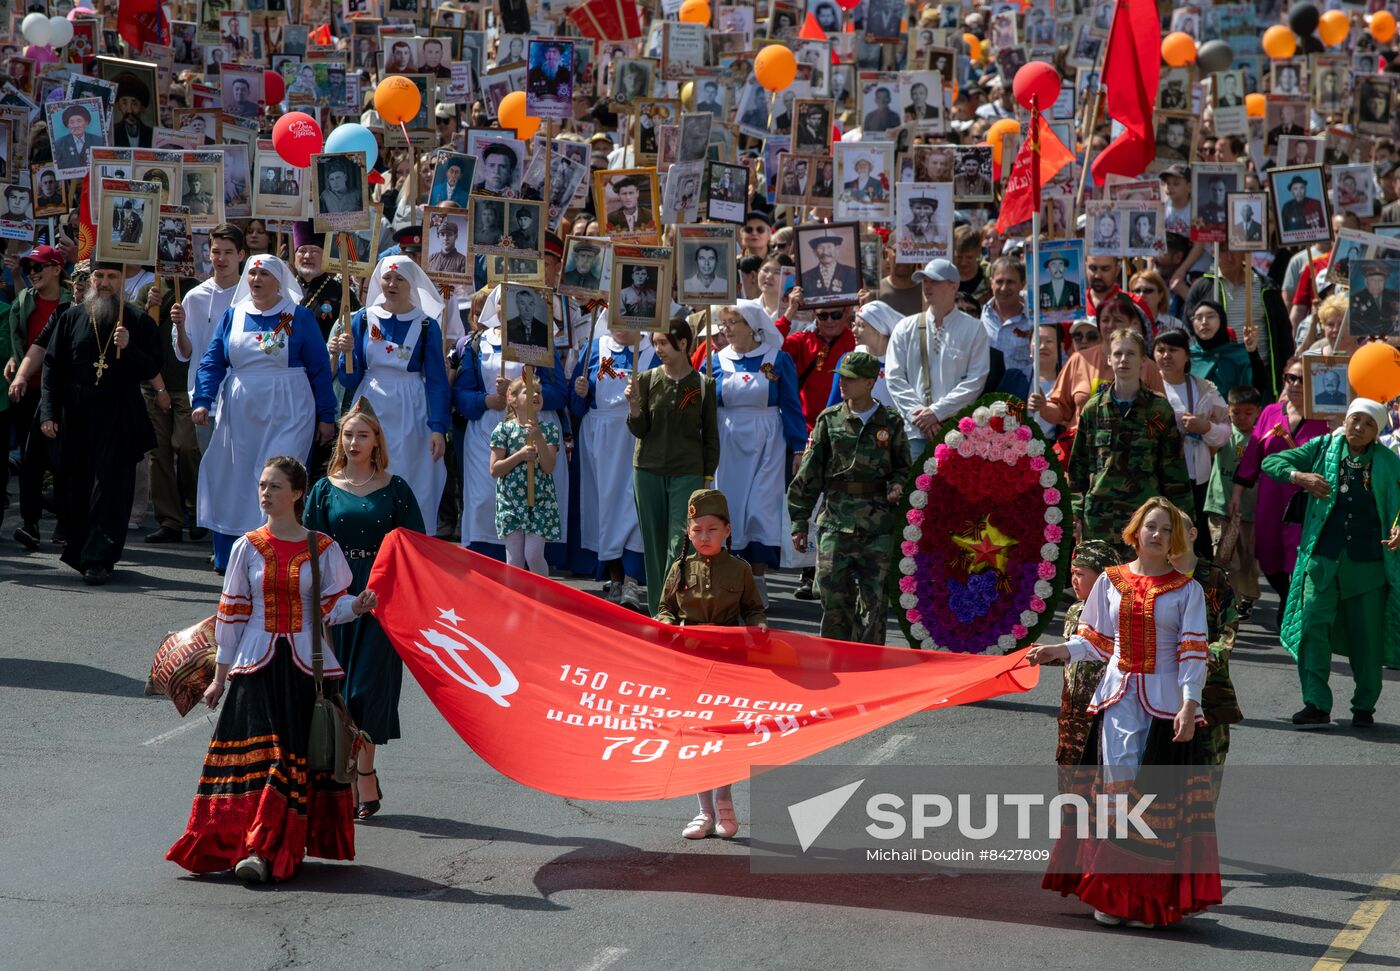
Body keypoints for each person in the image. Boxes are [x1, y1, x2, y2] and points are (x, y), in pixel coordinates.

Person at [167, 455, 378, 883]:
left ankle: (270, 848)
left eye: (275, 486)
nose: (266, 493)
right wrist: (220, 678)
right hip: (255, 667)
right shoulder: (246, 547)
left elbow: (329, 607)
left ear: (297, 493)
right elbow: (232, 615)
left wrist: (355, 606)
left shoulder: (322, 549)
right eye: (263, 485)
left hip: (304, 670)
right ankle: (255, 848)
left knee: (288, 760)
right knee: (265, 761)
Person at [1028, 497, 1223, 928]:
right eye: (1150, 526)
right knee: (1115, 792)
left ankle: (1146, 901)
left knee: (1152, 801)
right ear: (1136, 531)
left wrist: (1191, 704)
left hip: (1165, 705)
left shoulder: (1187, 589)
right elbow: (1096, 641)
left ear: (1175, 539)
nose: (1157, 535)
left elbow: (1194, 653)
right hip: (1117, 700)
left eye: (1166, 529)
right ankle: (1111, 893)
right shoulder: (1110, 582)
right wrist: (1058, 650)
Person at [303, 405, 423, 819]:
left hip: (381, 600)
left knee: (365, 692)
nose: (353, 443)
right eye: (348, 436)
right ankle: (348, 775)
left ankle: (364, 772)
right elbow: (308, 548)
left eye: (362, 436)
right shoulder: (322, 490)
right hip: (336, 599)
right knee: (336, 694)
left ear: (376, 443)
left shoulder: (396, 489)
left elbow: (415, 548)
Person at [191, 256, 338, 573]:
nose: (256, 279)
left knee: (278, 477)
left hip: (290, 409)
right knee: (236, 478)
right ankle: (230, 552)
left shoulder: (297, 317)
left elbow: (319, 369)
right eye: (252, 273)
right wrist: (203, 400)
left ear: (279, 280)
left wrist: (327, 415)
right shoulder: (234, 315)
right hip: (241, 411)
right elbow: (213, 361)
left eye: (264, 274)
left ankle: (275, 550)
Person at [1262, 397, 1400, 726]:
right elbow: (1273, 464)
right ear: (1347, 420)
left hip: (1368, 568)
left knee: (1367, 638)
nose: (1359, 428)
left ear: (1376, 432)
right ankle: (1316, 703)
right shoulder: (1323, 447)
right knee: (1311, 627)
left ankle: (1364, 706)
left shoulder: (1389, 462)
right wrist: (1301, 476)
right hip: (1321, 561)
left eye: (1369, 424)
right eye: (1356, 420)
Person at [37, 263, 162, 584]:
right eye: (99, 276)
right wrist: (49, 413)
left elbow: (151, 367)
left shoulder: (137, 320)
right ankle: (82, 550)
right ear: (90, 279)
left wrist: (128, 347)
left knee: (110, 488)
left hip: (118, 413)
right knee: (74, 487)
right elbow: (52, 367)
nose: (105, 283)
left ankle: (100, 558)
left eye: (112, 277)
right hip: (75, 413)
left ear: (122, 280)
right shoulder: (71, 318)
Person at [657, 488, 766, 840]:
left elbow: (753, 608)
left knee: (723, 736)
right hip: (689, 664)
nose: (705, 537)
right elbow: (664, 610)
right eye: (697, 530)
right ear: (688, 533)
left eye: (712, 530)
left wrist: (758, 627)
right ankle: (703, 811)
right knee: (695, 736)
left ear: (727, 531)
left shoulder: (741, 570)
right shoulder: (679, 569)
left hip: (729, 665)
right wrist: (670, 628)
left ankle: (725, 803)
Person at [788, 351, 910, 642]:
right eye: (841, 377)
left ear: (870, 382)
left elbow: (903, 468)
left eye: (850, 379)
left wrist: (897, 486)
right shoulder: (829, 420)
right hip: (835, 521)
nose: (842, 383)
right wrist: (799, 520)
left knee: (875, 602)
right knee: (831, 596)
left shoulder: (890, 422)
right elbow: (810, 472)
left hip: (877, 523)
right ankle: (836, 659)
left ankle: (868, 667)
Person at [329, 256, 450, 532]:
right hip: (371, 404)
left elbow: (436, 381)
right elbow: (350, 379)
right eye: (386, 278)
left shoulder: (426, 325)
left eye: (399, 279)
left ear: (412, 284)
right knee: (369, 469)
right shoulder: (362, 318)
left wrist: (438, 427)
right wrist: (344, 352)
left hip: (412, 408)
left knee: (411, 472)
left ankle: (410, 538)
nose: (392, 284)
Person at [451, 285, 569, 558]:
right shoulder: (477, 343)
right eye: (506, 302)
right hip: (488, 429)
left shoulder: (540, 340)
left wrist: (523, 392)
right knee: (485, 499)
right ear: (496, 306)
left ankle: (530, 562)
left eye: (523, 303)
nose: (515, 308)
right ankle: (487, 559)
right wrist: (485, 400)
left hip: (530, 428)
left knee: (533, 498)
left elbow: (559, 392)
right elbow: (462, 393)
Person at [1067, 329, 1194, 555]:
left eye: (1130, 354)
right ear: (1109, 359)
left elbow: (1173, 470)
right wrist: (1074, 513)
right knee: (1100, 586)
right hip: (1099, 521)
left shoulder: (1158, 409)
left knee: (1143, 587)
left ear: (1143, 360)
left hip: (1145, 522)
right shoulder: (1093, 410)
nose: (1123, 359)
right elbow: (1078, 470)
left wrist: (1182, 520)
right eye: (1117, 354)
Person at [710, 304, 807, 603]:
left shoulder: (776, 359)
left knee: (760, 511)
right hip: (728, 441)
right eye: (723, 323)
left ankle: (758, 579)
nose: (725, 328)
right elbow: (704, 404)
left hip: (767, 441)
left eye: (732, 322)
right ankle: (730, 582)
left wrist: (797, 446)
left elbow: (791, 404)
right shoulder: (716, 360)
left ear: (751, 325)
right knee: (731, 510)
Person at [625, 317, 720, 616]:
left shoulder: (704, 385)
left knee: (680, 545)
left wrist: (707, 477)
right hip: (648, 470)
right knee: (653, 546)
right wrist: (634, 407)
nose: (658, 349)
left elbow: (711, 437)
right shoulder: (648, 379)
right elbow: (639, 430)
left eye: (663, 343)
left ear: (682, 343)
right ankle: (659, 614)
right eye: (655, 343)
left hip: (688, 473)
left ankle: (674, 609)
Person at [1229, 357, 1331, 620]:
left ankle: (1292, 606)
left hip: (1306, 499)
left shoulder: (1326, 418)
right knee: (1267, 552)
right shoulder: (1270, 412)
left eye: (1302, 379)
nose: (1295, 384)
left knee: (1298, 556)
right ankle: (1285, 594)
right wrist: (1238, 493)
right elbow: (1253, 454)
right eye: (1290, 378)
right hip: (1270, 497)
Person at [569, 316, 657, 610]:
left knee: (634, 507)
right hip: (600, 440)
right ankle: (615, 578)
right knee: (605, 509)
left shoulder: (651, 351)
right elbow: (577, 405)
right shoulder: (595, 348)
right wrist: (580, 393)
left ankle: (633, 581)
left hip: (635, 437)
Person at [885, 258, 990, 458]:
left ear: (954, 286)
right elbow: (894, 377)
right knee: (914, 488)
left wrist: (936, 412)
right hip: (914, 432)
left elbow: (975, 381)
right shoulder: (905, 327)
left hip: (957, 432)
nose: (927, 286)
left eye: (934, 281)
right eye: (925, 281)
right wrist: (919, 415)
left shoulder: (975, 329)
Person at [5, 245, 70, 552]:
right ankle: (30, 523)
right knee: (31, 458)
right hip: (29, 389)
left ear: (57, 269)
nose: (33, 272)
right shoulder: (23, 300)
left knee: (63, 460)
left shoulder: (71, 304)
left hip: (62, 392)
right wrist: (15, 362)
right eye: (29, 267)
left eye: (39, 267)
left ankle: (65, 520)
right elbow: (18, 338)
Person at [1154, 328, 1230, 559]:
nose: (1166, 355)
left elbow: (1227, 430)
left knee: (1195, 533)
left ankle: (1201, 587)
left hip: (1196, 472)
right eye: (1161, 350)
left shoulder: (1204, 388)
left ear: (1187, 356)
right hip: (1158, 471)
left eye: (1173, 350)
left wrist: (1204, 427)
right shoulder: (1148, 386)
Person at [1053, 540, 1121, 771]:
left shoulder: (1120, 613)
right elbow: (1071, 651)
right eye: (1072, 573)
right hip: (1072, 719)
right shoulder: (1075, 611)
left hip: (1101, 718)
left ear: (1104, 577)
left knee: (1103, 791)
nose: (1074, 580)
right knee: (1071, 794)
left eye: (1080, 574)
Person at [490, 375, 562, 573]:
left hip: (539, 500)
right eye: (529, 391)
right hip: (511, 501)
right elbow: (495, 469)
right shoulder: (504, 430)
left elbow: (548, 467)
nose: (536, 394)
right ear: (512, 399)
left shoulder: (548, 430)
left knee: (533, 554)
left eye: (539, 391)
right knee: (514, 559)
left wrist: (538, 438)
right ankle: (515, 601)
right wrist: (520, 456)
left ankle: (542, 597)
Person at [1204, 385, 1263, 619]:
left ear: (1258, 412)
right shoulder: (1224, 433)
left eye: (1248, 413)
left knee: (1248, 557)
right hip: (1220, 503)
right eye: (1236, 412)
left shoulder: (1260, 438)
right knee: (1223, 554)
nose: (1242, 418)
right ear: (1229, 410)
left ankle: (1247, 597)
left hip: (1250, 509)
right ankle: (1230, 601)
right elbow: (1209, 441)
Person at [827, 300, 901, 408]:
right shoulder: (849, 360)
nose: (853, 330)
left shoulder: (902, 360)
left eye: (861, 325)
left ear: (879, 329)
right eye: (854, 324)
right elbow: (834, 404)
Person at [799, 233, 861, 299]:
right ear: (815, 252)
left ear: (837, 249)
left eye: (829, 247)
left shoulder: (852, 273)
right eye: (821, 248)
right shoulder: (806, 277)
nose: (825, 252)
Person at [53, 104, 96, 170]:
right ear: (67, 125)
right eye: (72, 122)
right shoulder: (59, 144)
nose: (76, 125)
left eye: (79, 121)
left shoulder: (98, 140)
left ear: (86, 123)